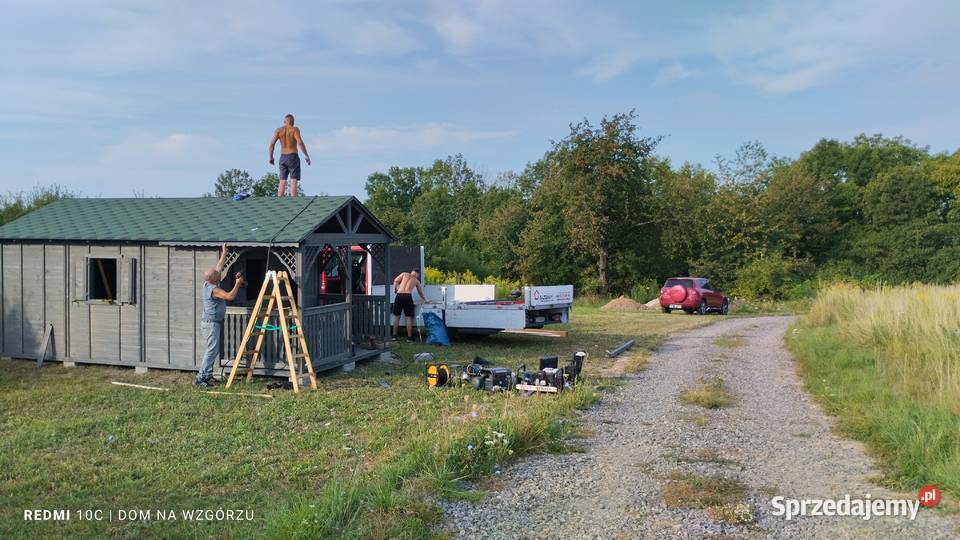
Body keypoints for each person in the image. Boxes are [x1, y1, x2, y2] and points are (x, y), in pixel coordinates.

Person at [196, 243, 247, 387]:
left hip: (210, 323)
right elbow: (230, 296)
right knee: (211, 350)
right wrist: (238, 283)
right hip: (211, 324)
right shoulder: (214, 290)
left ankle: (207, 375)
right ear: (214, 279)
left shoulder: (210, 282)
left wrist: (224, 252)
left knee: (212, 350)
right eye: (218, 274)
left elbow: (218, 267)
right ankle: (201, 378)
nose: (220, 273)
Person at [268, 113, 311, 197]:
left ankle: (279, 199)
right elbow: (300, 142)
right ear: (293, 122)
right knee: (293, 179)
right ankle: (293, 199)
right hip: (292, 156)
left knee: (282, 180)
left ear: (284, 121)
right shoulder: (294, 129)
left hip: (282, 157)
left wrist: (271, 157)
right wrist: (306, 155)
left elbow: (271, 144)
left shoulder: (278, 130)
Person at [391, 270, 427, 341]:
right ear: (417, 274)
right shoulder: (416, 281)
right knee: (408, 317)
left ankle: (394, 336)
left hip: (399, 295)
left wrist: (395, 289)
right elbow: (420, 293)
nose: (418, 276)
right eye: (418, 275)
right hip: (408, 296)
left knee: (397, 316)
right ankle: (409, 337)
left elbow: (395, 280)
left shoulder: (404, 274)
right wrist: (426, 300)